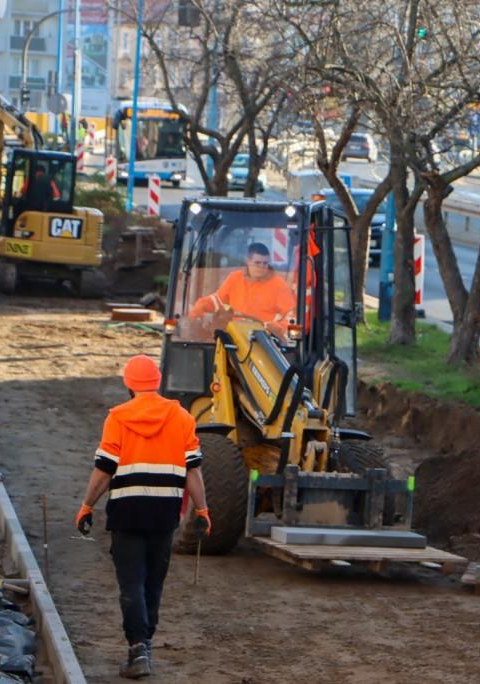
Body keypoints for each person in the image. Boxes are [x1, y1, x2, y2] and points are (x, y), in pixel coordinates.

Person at [74, 355, 212, 680]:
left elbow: (104, 471)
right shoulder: (182, 418)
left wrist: (87, 505)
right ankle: (145, 646)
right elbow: (193, 471)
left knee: (131, 582)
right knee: (153, 583)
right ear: (158, 381)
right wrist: (203, 509)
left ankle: (137, 649)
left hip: (127, 513)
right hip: (164, 514)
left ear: (129, 384)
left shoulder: (118, 418)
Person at [188, 242, 296, 337]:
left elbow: (291, 316)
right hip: (236, 336)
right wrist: (200, 308)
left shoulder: (279, 285)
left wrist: (276, 327)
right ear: (247, 261)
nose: (262, 267)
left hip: (265, 340)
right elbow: (218, 300)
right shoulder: (234, 278)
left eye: (265, 263)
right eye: (257, 263)